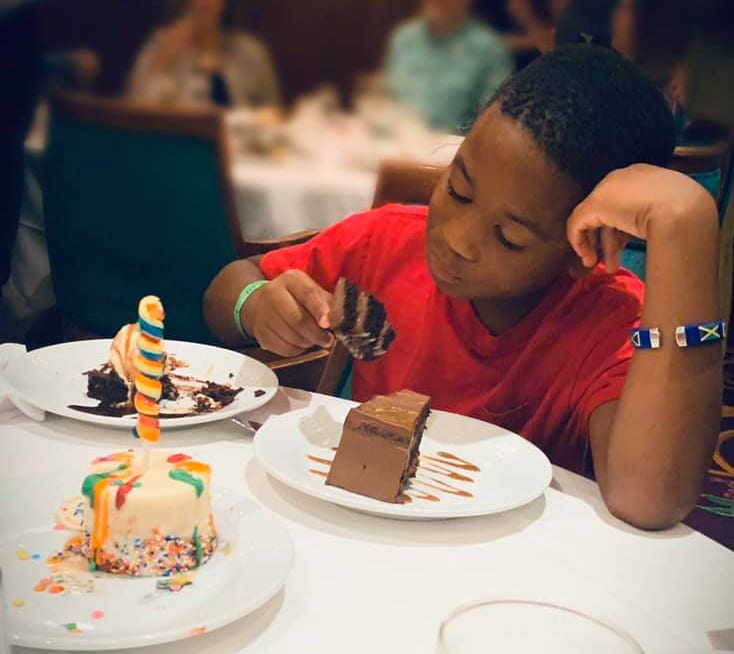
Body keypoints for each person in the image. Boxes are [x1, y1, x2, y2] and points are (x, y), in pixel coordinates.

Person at [203, 46, 721, 531]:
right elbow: (228, 288)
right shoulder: (385, 240)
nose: (456, 239)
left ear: (584, 250)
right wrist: (254, 306)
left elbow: (651, 498)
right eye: (458, 189)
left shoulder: (610, 324)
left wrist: (687, 225)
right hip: (361, 533)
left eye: (509, 236)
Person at [385, 0, 512, 133]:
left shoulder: (489, 49)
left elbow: (493, 120)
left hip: (452, 147)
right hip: (396, 143)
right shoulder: (404, 38)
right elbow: (389, 98)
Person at [127, 0, 280, 109]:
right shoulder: (159, 45)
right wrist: (163, 60)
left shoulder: (250, 52)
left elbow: (272, 116)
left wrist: (214, 68)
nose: (204, 2)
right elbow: (133, 112)